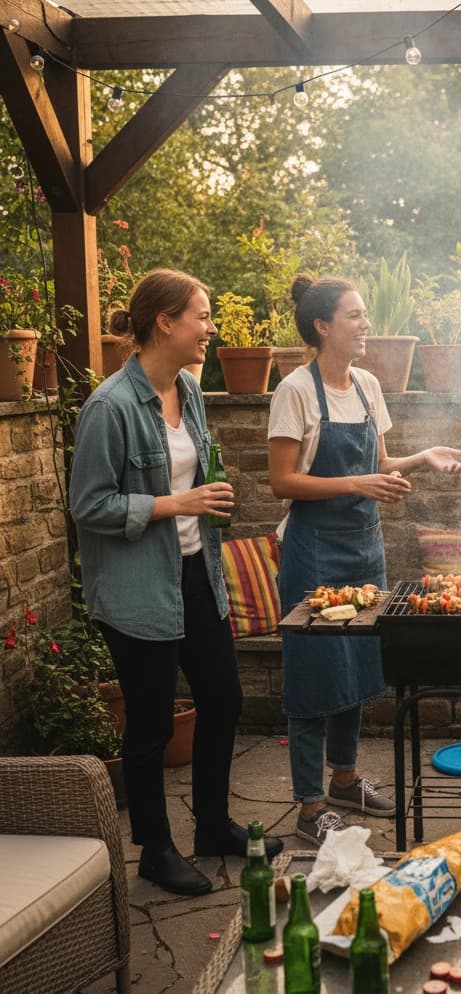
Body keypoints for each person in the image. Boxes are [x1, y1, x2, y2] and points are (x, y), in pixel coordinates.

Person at [70, 269, 283, 897]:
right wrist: (175, 504)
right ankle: (156, 851)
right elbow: (88, 505)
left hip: (196, 572)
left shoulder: (188, 389)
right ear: (165, 322)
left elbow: (192, 470)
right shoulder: (109, 407)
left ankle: (211, 826)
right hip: (137, 588)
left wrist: (208, 494)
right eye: (202, 315)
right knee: (151, 724)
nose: (210, 328)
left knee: (223, 699)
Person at [268, 274, 461, 847]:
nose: (366, 324)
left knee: (356, 667)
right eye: (354, 315)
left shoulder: (366, 386)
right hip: (313, 551)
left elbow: (379, 464)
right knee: (312, 673)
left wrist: (422, 458)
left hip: (364, 546)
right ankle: (310, 808)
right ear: (322, 325)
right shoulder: (295, 391)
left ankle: (345, 781)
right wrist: (358, 482)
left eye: (364, 314)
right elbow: (282, 481)